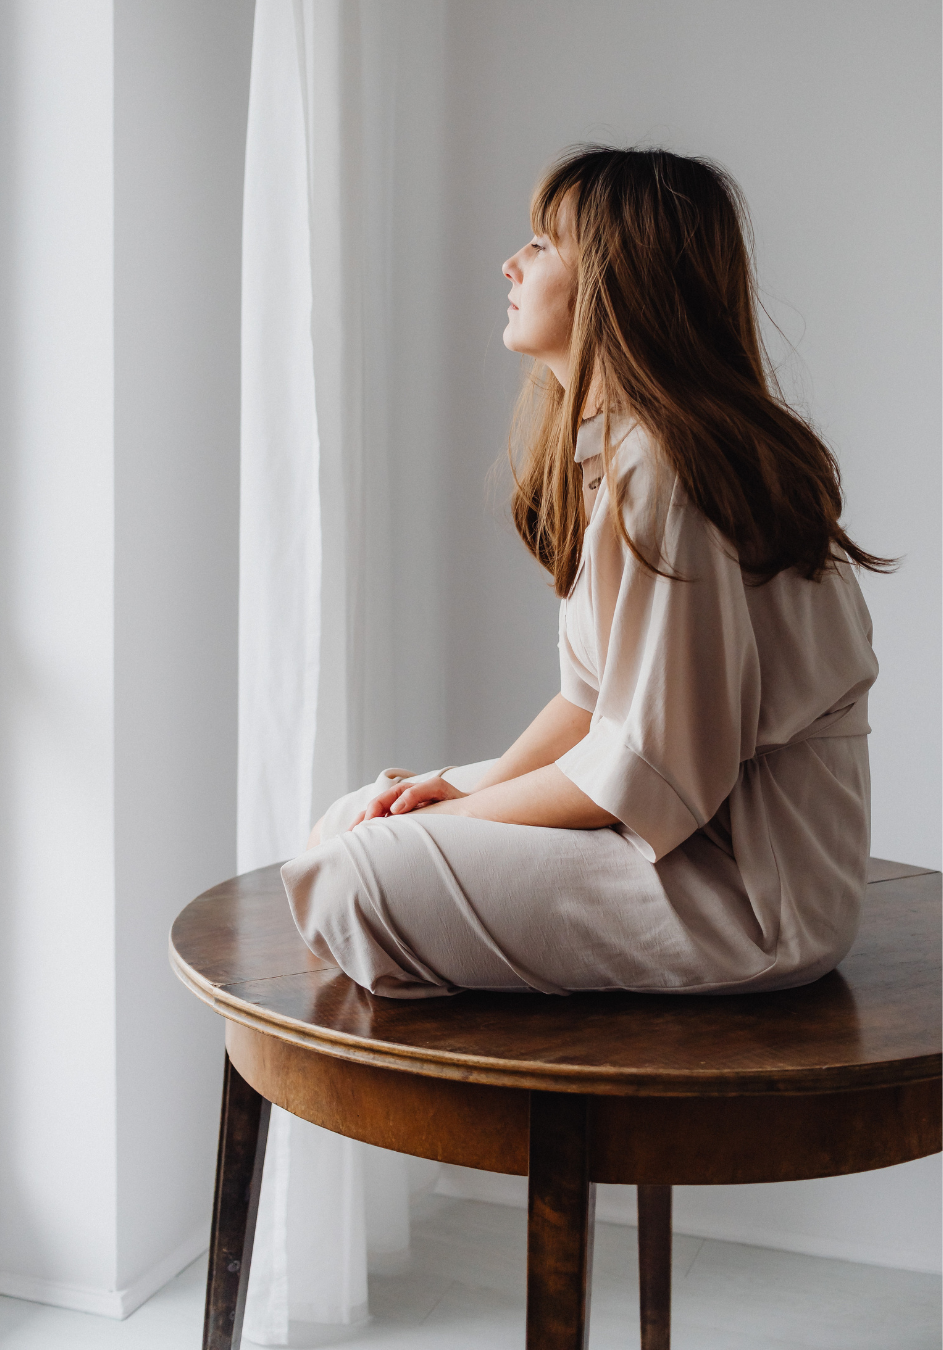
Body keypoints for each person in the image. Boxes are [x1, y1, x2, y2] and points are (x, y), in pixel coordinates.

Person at [281, 145, 892, 1000]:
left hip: (749, 901)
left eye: (541, 242)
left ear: (615, 277)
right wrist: (466, 787)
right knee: (354, 820)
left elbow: (643, 771)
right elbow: (590, 706)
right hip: (681, 845)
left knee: (356, 873)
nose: (512, 262)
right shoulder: (631, 454)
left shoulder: (668, 473)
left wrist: (456, 815)